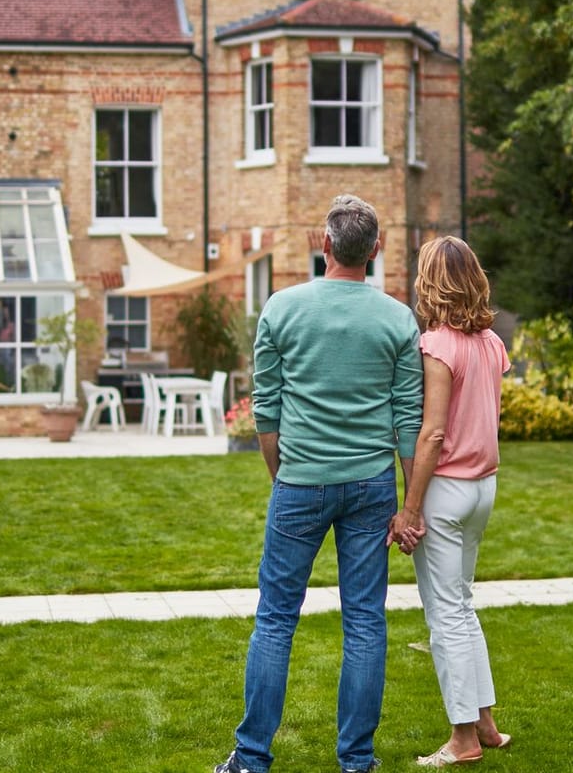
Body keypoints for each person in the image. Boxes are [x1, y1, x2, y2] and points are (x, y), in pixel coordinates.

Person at [216, 194, 424, 773]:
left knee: (276, 618)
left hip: (300, 485)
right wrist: (410, 505)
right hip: (371, 486)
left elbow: (266, 411)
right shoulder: (397, 318)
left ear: (325, 246)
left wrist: (281, 477)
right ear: (375, 251)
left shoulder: (281, 308)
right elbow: (409, 419)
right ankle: (357, 761)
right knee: (364, 619)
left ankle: (251, 759)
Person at [390, 235, 513, 767]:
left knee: (446, 616)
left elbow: (432, 434)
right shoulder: (491, 343)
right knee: (463, 605)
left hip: (446, 491)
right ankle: (485, 724)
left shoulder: (438, 344)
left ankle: (462, 739)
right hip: (483, 488)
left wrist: (410, 508)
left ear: (430, 281)